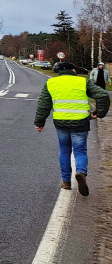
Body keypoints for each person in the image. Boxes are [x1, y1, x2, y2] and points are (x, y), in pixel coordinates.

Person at [34, 61, 109, 195]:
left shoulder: (51, 83)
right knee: (80, 151)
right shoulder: (83, 82)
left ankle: (66, 182)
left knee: (64, 150)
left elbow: (43, 105)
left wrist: (40, 122)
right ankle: (80, 172)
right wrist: (99, 113)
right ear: (73, 70)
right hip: (81, 122)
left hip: (61, 122)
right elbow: (103, 95)